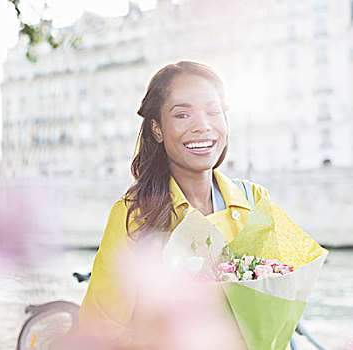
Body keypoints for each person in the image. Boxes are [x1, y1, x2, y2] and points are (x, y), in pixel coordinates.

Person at [78, 61, 270, 345]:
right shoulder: (134, 216)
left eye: (213, 112)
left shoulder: (255, 201)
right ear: (157, 130)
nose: (202, 125)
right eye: (182, 114)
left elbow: (275, 299)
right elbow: (101, 328)